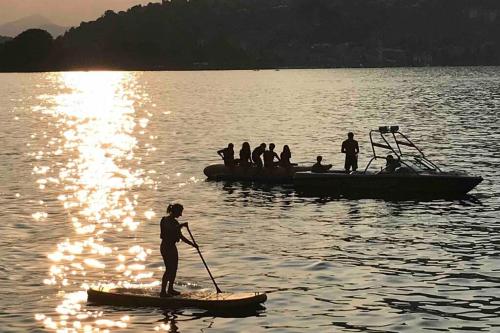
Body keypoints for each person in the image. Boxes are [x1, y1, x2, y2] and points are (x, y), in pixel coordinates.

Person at [160, 203, 198, 297]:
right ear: (175, 211)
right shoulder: (165, 220)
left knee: (174, 269)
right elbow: (169, 230)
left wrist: (193, 244)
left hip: (172, 247)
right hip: (165, 247)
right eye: (180, 212)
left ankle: (170, 289)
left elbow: (180, 237)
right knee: (169, 269)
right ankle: (163, 292)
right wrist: (182, 225)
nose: (180, 215)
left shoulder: (176, 223)